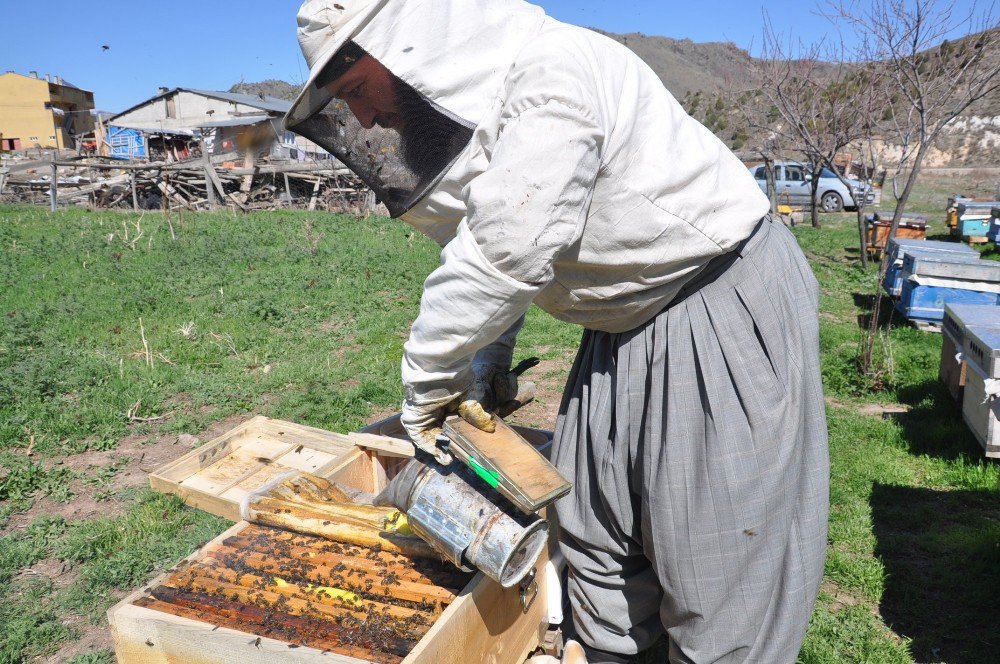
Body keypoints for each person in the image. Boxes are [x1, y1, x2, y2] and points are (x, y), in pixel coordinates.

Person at [285, 1, 830, 662]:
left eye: (355, 91)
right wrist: (491, 356)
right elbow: (496, 230)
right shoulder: (492, 111)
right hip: (616, 328)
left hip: (713, 303)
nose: (364, 117)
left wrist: (428, 387)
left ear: (407, 49)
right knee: (598, 549)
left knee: (720, 578)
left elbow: (505, 251)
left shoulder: (555, 77)